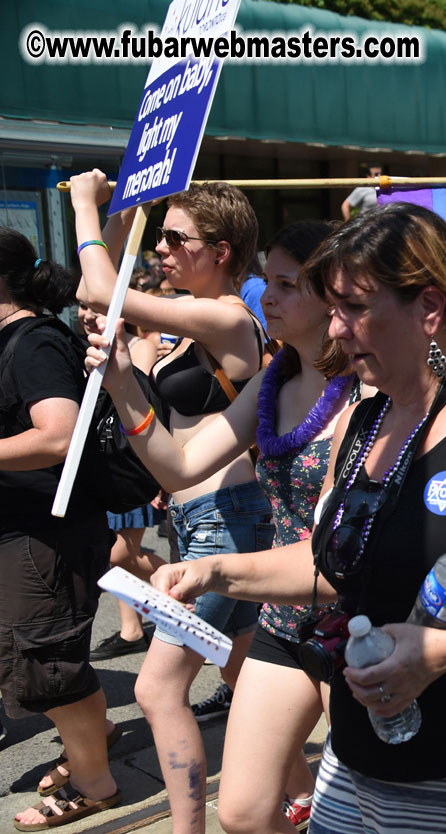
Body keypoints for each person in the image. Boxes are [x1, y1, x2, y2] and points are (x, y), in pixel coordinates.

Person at [150, 201, 446, 834]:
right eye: (333, 308)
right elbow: (333, 563)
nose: (335, 330)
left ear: (428, 308)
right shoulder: (364, 420)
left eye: (355, 309)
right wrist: (214, 572)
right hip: (365, 759)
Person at [86, 220, 349, 834]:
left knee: (364, 806)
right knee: (244, 813)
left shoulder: (367, 388)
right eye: (270, 281)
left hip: (353, 621)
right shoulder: (273, 380)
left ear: (333, 298)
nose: (270, 297)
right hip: (285, 614)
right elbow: (179, 467)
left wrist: (85, 218)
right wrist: (123, 380)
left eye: (286, 285)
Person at [72, 170, 274, 834]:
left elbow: (101, 284)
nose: (160, 250)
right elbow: (99, 290)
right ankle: (296, 803)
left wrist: (83, 202)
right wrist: (124, 217)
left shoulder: (227, 318)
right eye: (158, 239)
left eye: (174, 238)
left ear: (219, 250)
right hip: (197, 520)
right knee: (250, 680)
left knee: (157, 689)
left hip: (229, 523)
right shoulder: (180, 319)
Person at [0, 230, 121, 830]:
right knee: (31, 661)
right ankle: (91, 740)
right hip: (20, 531)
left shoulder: (32, 342)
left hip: (40, 534)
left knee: (50, 665)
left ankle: (95, 780)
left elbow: (57, 433)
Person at [73, 300, 167, 663]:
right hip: (102, 476)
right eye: (81, 307)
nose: (85, 314)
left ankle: (187, 603)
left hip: (132, 472)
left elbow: (142, 414)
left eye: (93, 307)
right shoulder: (83, 351)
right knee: (121, 555)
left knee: (118, 553)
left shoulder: (141, 347)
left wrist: (161, 477)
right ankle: (132, 628)